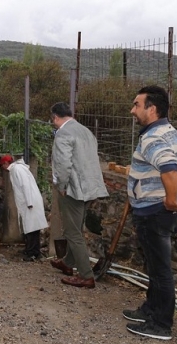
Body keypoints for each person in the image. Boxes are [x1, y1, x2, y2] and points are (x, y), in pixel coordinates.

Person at [123, 86, 177, 340]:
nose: (133, 110)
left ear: (151, 109)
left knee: (161, 270)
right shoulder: (171, 132)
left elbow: (168, 167)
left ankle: (161, 325)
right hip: (157, 212)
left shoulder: (153, 137)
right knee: (154, 266)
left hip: (154, 213)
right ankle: (150, 310)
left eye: (136, 105)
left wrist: (171, 199)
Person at [50, 102, 108, 289]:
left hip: (73, 189)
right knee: (77, 226)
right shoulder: (86, 131)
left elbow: (63, 164)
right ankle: (67, 263)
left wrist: (61, 185)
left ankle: (85, 275)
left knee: (72, 231)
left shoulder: (63, 133)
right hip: (90, 187)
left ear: (55, 117)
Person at [0, 155, 48, 261]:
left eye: (2, 165)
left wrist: (29, 202)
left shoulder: (17, 169)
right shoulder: (17, 169)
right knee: (32, 228)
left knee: (31, 228)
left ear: (5, 164)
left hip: (29, 202)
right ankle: (34, 251)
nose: (2, 168)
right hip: (29, 201)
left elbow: (25, 185)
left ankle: (32, 253)